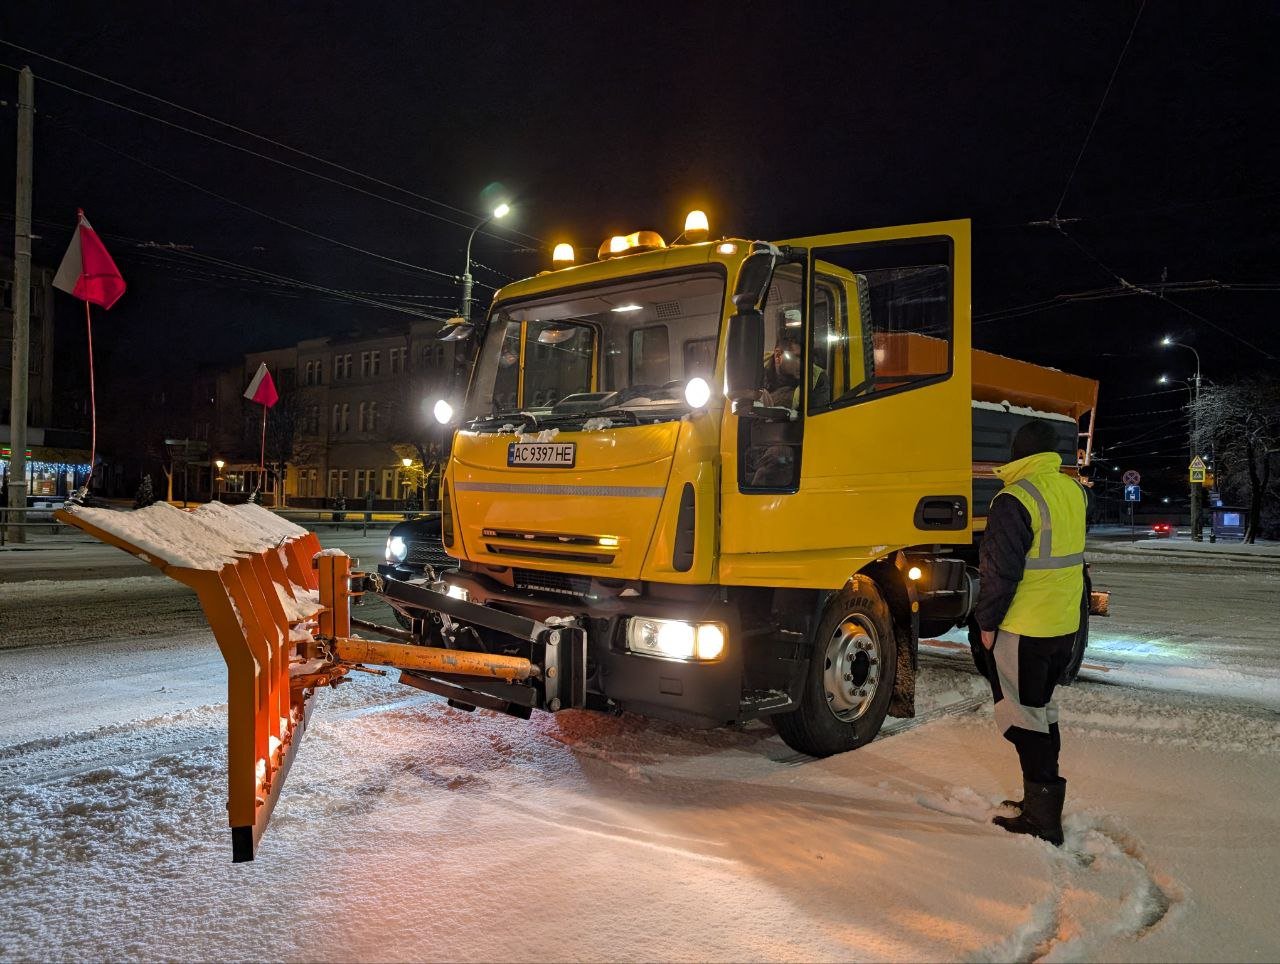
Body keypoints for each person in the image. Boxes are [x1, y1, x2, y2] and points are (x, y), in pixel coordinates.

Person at [974, 419, 1087, 847]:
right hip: (1063, 625)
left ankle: (1043, 819)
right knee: (1041, 712)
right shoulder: (1074, 491)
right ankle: (1040, 801)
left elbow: (999, 572)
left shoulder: (1014, 498)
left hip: (1024, 627)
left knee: (1023, 719)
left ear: (1017, 453)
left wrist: (987, 623)